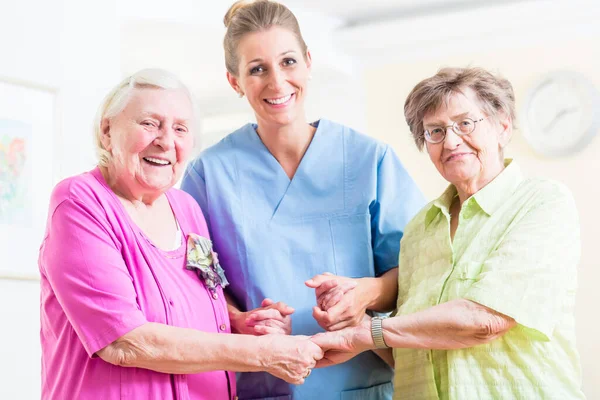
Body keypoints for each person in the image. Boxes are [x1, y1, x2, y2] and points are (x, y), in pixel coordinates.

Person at [180, 1, 425, 398]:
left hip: (359, 383)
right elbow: (189, 283)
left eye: (288, 61)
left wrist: (367, 293)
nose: (277, 82)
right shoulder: (208, 176)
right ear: (234, 81)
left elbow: (419, 268)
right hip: (263, 385)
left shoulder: (368, 160)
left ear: (309, 62)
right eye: (257, 69)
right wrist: (240, 319)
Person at [38, 68, 324, 400]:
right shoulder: (80, 202)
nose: (166, 141)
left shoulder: (186, 208)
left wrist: (241, 322)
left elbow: (207, 292)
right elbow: (123, 341)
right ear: (107, 130)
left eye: (180, 129)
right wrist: (262, 353)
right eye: (149, 124)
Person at [311, 67, 586, 400]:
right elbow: (407, 348)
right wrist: (353, 320)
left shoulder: (541, 203)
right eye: (435, 131)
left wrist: (370, 332)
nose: (451, 141)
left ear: (502, 126)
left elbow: (485, 319)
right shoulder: (419, 230)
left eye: (465, 123)